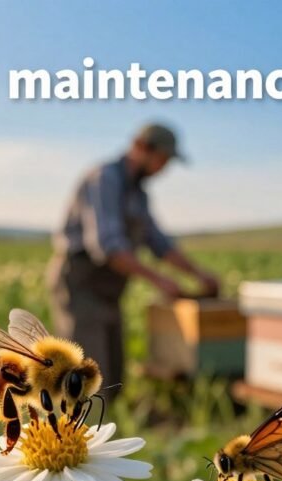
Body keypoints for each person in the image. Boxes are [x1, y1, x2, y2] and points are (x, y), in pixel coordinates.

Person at [47, 122, 220, 393]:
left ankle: (111, 431)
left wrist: (199, 274)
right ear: (140, 148)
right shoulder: (104, 178)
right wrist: (160, 281)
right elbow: (108, 246)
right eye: (161, 160)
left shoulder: (138, 194)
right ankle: (73, 434)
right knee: (86, 382)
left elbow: (159, 243)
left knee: (112, 378)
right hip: (82, 285)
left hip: (109, 291)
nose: (162, 169)